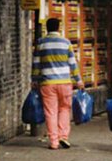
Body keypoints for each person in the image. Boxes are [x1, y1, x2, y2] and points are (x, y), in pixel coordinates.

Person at [31, 18, 84, 150]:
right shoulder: (66, 43)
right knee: (65, 109)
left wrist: (35, 79)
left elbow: (36, 64)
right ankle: (63, 137)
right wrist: (78, 80)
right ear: (58, 28)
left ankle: (54, 141)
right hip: (65, 82)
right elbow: (72, 63)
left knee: (50, 112)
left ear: (47, 28)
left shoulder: (41, 43)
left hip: (47, 83)